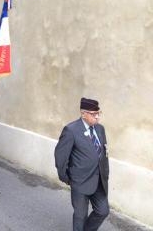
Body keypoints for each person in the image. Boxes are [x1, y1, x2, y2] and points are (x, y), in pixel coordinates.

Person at [54, 98, 109, 231]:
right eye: (93, 114)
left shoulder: (100, 129)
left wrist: (105, 173)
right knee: (80, 216)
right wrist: (66, 178)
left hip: (99, 181)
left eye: (98, 113)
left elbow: (104, 153)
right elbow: (60, 156)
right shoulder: (71, 130)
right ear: (83, 113)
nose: (97, 117)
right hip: (79, 181)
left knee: (103, 211)